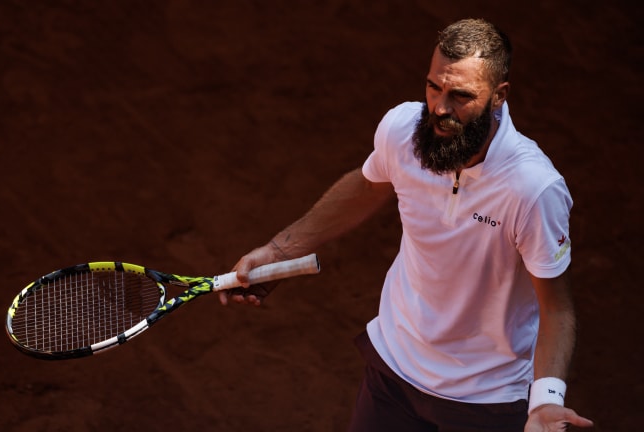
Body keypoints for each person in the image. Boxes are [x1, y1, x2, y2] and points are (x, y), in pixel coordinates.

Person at [219, 18, 594, 432]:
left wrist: (545, 401)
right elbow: (367, 186)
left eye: (460, 96)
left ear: (499, 96)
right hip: (394, 373)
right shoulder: (402, 130)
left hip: (486, 401)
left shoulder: (532, 189)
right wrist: (279, 251)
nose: (440, 109)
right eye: (434, 87)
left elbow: (556, 308)